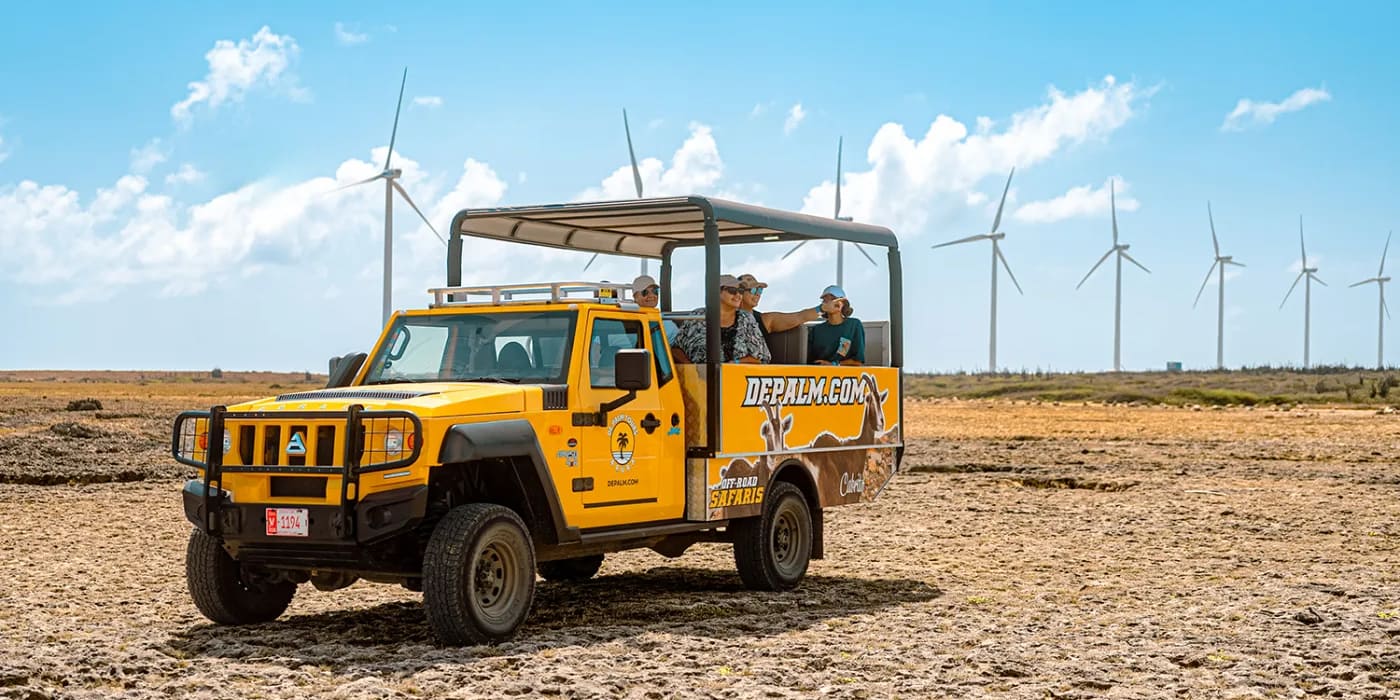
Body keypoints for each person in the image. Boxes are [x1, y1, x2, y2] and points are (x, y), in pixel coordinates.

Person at [671, 274, 771, 364]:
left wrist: (735, 363)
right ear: (716, 292)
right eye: (732, 291)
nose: (738, 295)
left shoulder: (747, 319)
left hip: (738, 379)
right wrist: (689, 367)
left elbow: (761, 357)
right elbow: (675, 349)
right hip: (700, 380)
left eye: (740, 291)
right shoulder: (697, 316)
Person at [736, 273, 821, 347]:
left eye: (760, 290)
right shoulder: (725, 317)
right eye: (753, 290)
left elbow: (800, 316)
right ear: (739, 292)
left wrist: (822, 309)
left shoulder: (765, 320)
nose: (758, 294)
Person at [808, 284, 865, 366]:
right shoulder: (816, 330)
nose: (829, 302)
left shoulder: (854, 325)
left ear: (842, 304)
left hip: (847, 377)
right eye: (825, 300)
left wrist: (833, 364)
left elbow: (858, 361)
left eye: (833, 299)